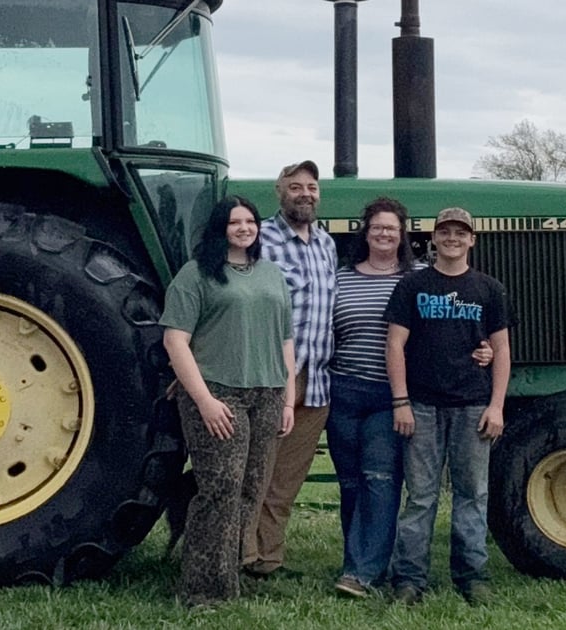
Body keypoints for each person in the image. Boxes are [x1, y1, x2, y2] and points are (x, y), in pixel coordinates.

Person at [326, 198, 492, 598]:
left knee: (381, 479)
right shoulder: (341, 278)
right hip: (345, 389)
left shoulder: (419, 277)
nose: (384, 234)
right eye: (377, 227)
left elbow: (455, 322)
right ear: (365, 232)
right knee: (351, 484)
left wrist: (482, 349)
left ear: (404, 235)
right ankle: (362, 560)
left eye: (392, 228)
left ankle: (362, 573)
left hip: (393, 393)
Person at [160, 196, 297, 608]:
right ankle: (202, 590)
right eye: (234, 222)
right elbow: (175, 339)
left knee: (250, 490)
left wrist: (289, 398)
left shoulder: (271, 274)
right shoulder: (196, 274)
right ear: (220, 228)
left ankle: (227, 575)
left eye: (250, 221)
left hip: (268, 393)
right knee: (220, 488)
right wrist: (203, 400)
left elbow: (286, 339)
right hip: (219, 393)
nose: (244, 227)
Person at [384, 207, 512, 606]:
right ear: (433, 238)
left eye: (461, 232)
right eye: (445, 232)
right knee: (420, 496)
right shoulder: (412, 286)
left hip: (473, 407)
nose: (453, 238)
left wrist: (497, 406)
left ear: (472, 239)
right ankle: (409, 580)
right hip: (421, 406)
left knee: (472, 493)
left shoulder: (490, 290)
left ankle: (472, 576)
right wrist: (401, 401)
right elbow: (394, 345)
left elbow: (503, 350)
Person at [243, 160, 337, 579]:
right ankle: (239, 557)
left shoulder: (326, 244)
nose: (305, 193)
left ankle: (269, 560)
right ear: (279, 190)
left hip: (316, 377)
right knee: (255, 473)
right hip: (272, 374)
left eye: (312, 187)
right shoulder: (260, 239)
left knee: (286, 481)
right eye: (296, 186)